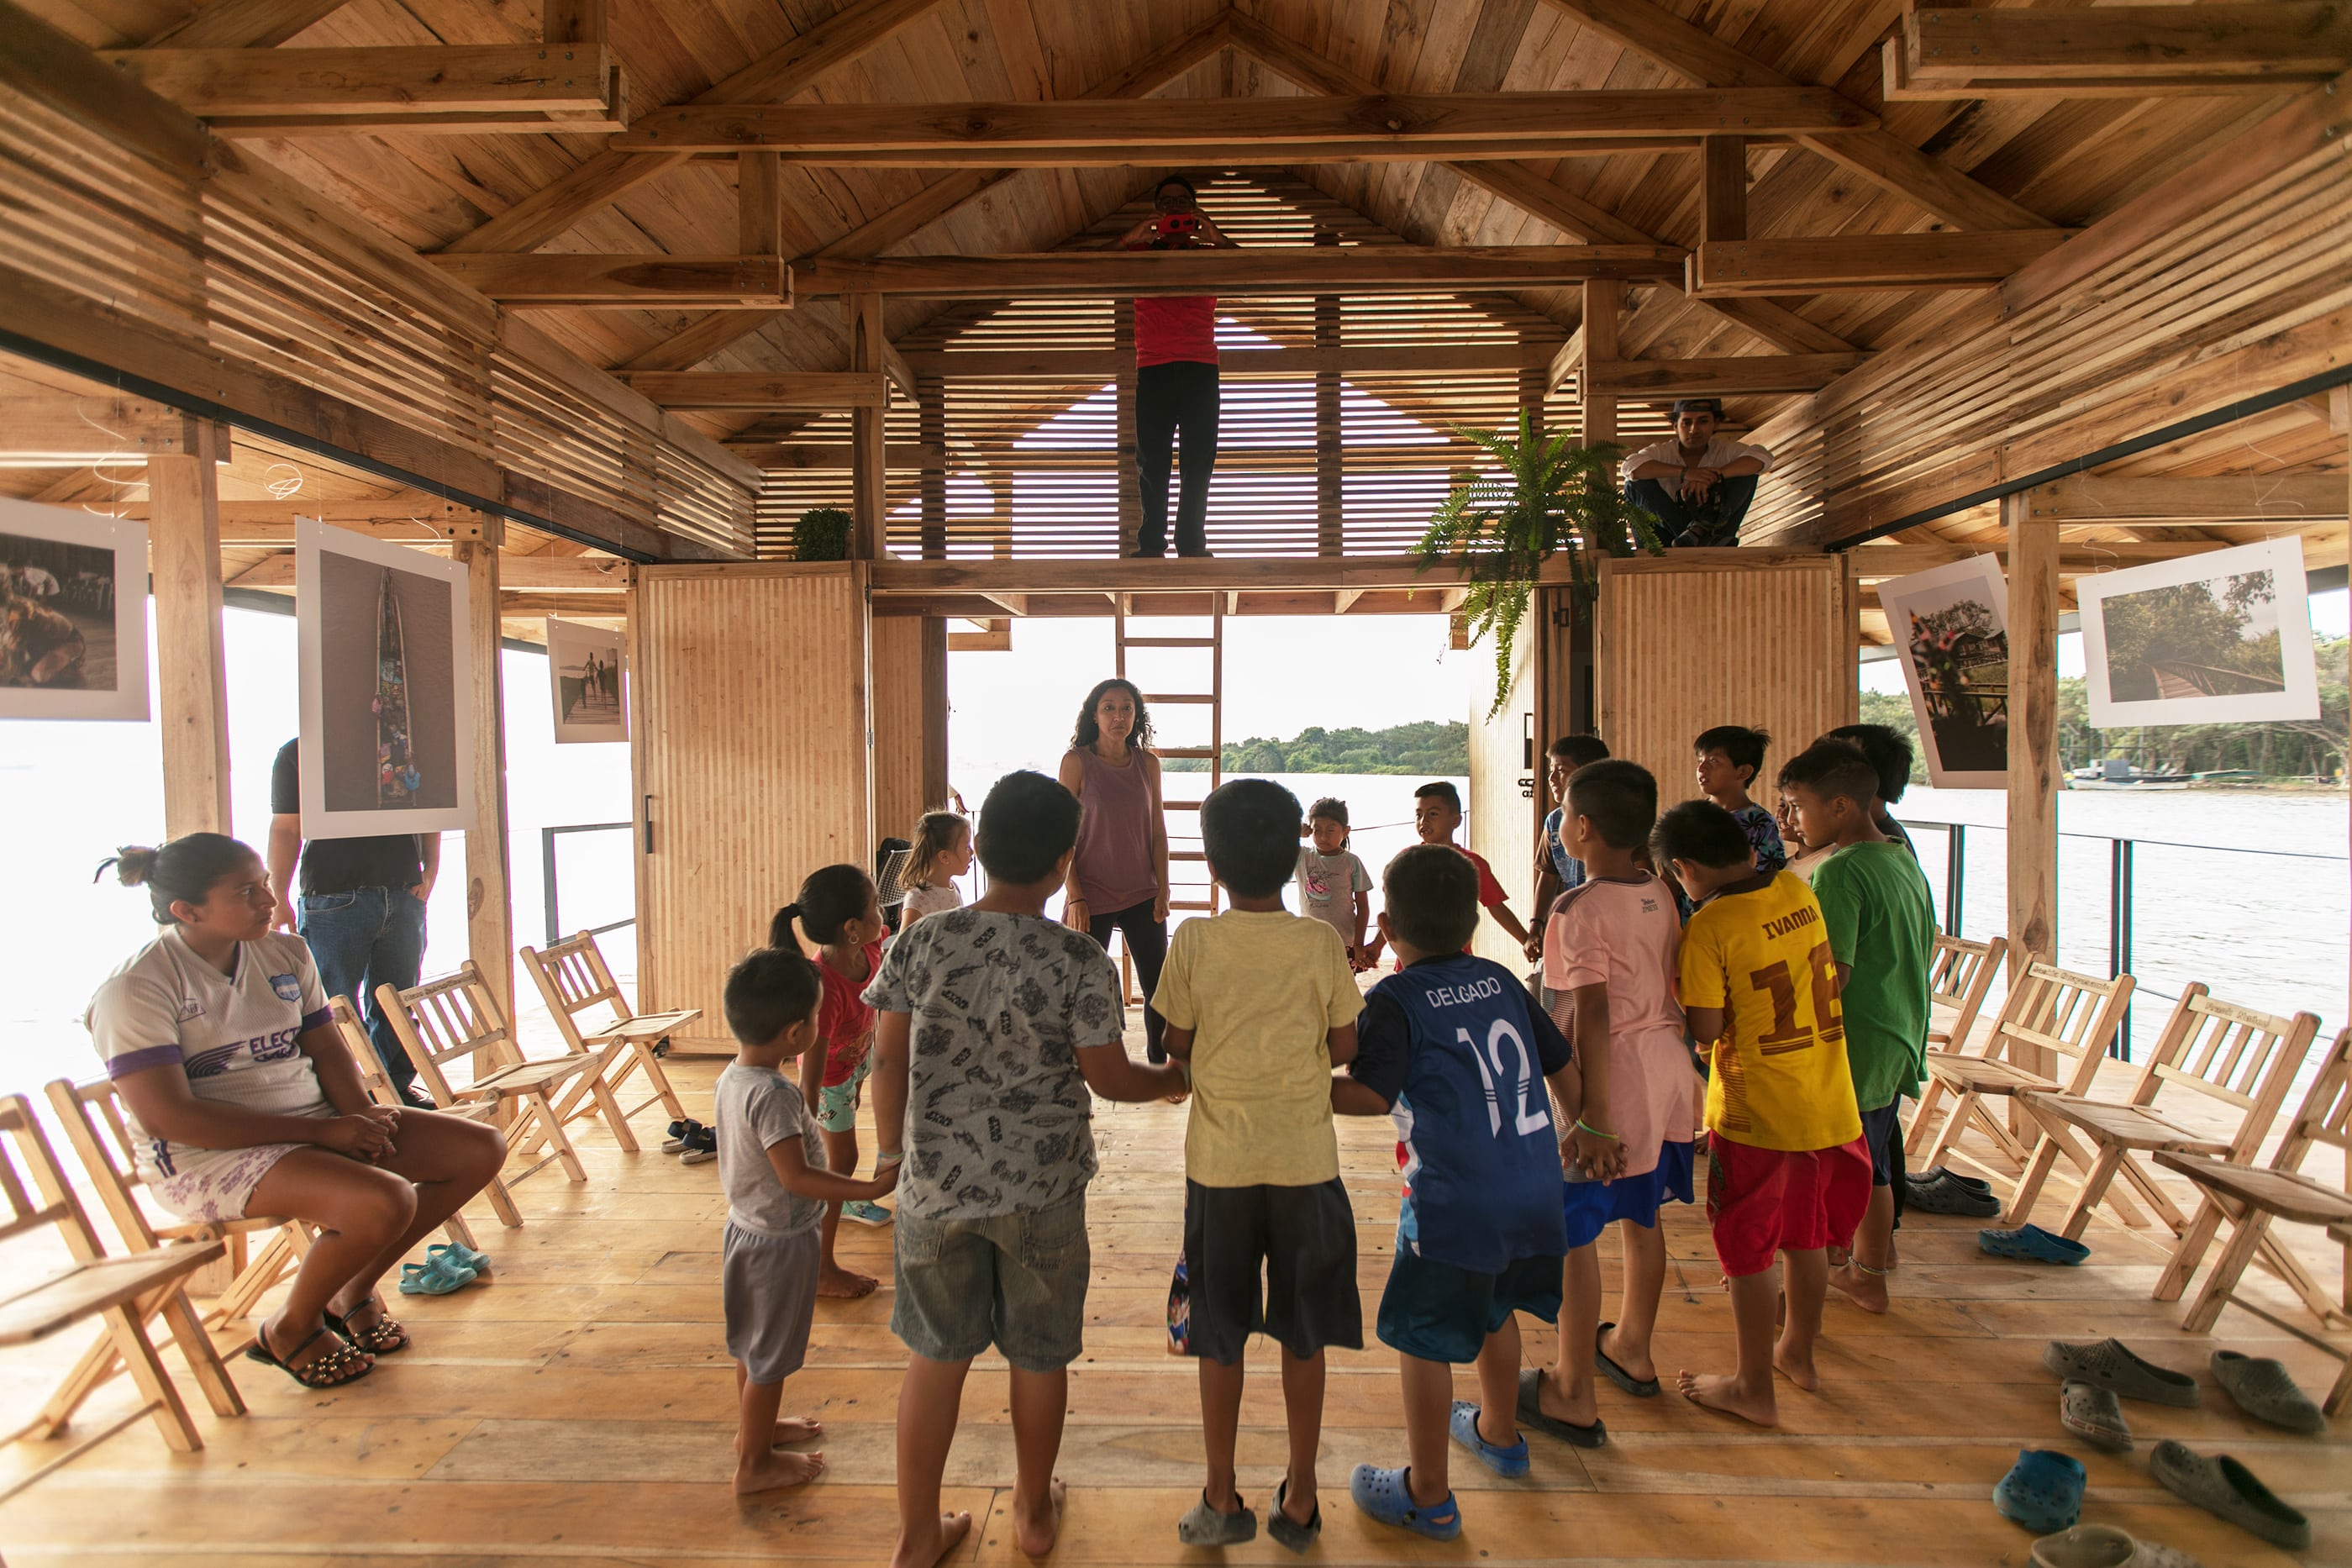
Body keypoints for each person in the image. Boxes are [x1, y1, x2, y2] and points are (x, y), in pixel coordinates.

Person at [865, 770, 1188, 1568]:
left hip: (933, 1189)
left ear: (981, 857)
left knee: (934, 1356)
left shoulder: (919, 941)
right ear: (1061, 863)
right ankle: (1034, 1513)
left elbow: (886, 1062)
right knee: (1039, 1355)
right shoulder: (1078, 959)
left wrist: (893, 1155)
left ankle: (915, 1536)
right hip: (1041, 1192)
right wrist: (1171, 1081)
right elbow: (1109, 1079)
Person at [86, 834, 505, 1388]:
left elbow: (328, 1049)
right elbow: (172, 1119)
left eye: (264, 884)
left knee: (478, 1149)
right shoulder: (137, 988)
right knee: (383, 1200)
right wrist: (327, 1132)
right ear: (187, 911)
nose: (267, 899)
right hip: (204, 1157)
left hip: (315, 1124)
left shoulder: (285, 952)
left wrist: (364, 1117)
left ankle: (349, 1289)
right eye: (245, 892)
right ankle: (289, 1327)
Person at [1333, 845, 1578, 1541]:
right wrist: (1577, 1131)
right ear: (1472, 917)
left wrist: (1296, 1088)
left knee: (1424, 1335)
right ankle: (1500, 1434)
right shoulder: (1501, 980)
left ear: (1387, 921)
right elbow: (1563, 1068)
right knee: (1495, 1306)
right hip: (1533, 1187)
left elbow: (1371, 1094)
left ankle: (1427, 1494)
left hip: (1453, 1200)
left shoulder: (1396, 997)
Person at [1155, 779, 1364, 1550]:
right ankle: (1302, 1497)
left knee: (1219, 1331)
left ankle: (1219, 1495)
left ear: (1211, 862)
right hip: (1307, 1165)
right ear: (1292, 858)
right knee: (1302, 1332)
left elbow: (1174, 1045)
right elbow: (1345, 1046)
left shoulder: (1194, 941)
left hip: (1220, 1170)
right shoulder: (1318, 944)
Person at [1655, 801, 1868, 1428]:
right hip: (1825, 1097)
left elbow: (1705, 1028)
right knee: (1803, 1235)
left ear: (1683, 869)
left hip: (1756, 1112)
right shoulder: (1793, 889)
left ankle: (1751, 1385)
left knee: (1746, 1249)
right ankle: (1795, 1351)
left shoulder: (1711, 926)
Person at [1531, 760, 1695, 1437]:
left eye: (1564, 811)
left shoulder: (1576, 909)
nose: (1561, 822)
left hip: (1616, 1080)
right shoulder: (1658, 889)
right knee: (1642, 1219)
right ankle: (1630, 1347)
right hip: (1667, 1073)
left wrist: (1591, 1115)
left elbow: (1590, 1014)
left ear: (1583, 828)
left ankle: (1571, 1387)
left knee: (1575, 1237)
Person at [714, 944, 899, 1495]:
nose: (822, 1024)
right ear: (796, 1034)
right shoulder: (773, 1096)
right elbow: (796, 1177)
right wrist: (866, 1187)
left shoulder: (734, 1077)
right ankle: (754, 1465)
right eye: (818, 1017)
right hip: (779, 1242)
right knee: (771, 1355)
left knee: (752, 1344)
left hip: (744, 1230)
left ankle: (757, 1430)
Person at [1778, 740, 1935, 1317]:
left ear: (1840, 807)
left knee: (1826, 1170)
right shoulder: (1898, 857)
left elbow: (1829, 977)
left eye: (1796, 807)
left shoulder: (1840, 874)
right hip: (1897, 1033)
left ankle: (1808, 1293)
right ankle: (1865, 1270)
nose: (1791, 820)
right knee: (1872, 1164)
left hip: (1854, 1043)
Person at [266, 739, 439, 1104]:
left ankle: (395, 1091)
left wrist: (431, 868)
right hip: (332, 895)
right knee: (333, 1006)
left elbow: (434, 808)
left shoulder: (406, 743)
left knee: (398, 999)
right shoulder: (300, 750)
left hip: (402, 892)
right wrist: (276, 894)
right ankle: (348, 1095)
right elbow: (285, 826)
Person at [772, 866, 893, 1297]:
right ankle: (820, 1268)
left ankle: (837, 1197)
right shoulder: (823, 987)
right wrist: (801, 1129)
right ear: (852, 928)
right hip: (829, 1081)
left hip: (856, 1062)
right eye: (876, 906)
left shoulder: (871, 946)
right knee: (839, 1160)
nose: (884, 913)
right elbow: (812, 1071)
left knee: (839, 1155)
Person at [1117, 174, 1237, 559]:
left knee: (1198, 461)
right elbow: (1094, 265)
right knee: (1152, 462)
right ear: (1156, 210)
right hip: (1152, 368)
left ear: (1194, 207)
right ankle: (1151, 545)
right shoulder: (1138, 254)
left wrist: (1214, 235)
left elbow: (1252, 268)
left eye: (1182, 202)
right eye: (1166, 203)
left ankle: (1191, 545)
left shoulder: (1210, 255)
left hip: (1201, 368)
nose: (1174, 209)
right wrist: (1132, 235)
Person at [1057, 677, 1174, 1062]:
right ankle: (1080, 1073)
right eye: (1109, 708)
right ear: (1094, 714)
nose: (1118, 716)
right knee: (1082, 987)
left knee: (1159, 984)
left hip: (1143, 890)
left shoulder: (1148, 763)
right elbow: (1063, 836)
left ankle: (1160, 1064)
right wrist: (1075, 895)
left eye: (1126, 708)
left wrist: (1163, 887)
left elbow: (1157, 830)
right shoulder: (1076, 761)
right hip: (1091, 894)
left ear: (1137, 716)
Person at [1362, 781, 1528, 966]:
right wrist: (1377, 946)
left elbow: (1496, 907)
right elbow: (1394, 910)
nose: (1424, 821)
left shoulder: (1471, 864)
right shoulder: (1407, 861)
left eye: (1433, 814)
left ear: (1455, 820)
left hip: (1455, 964)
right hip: (1411, 965)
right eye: (1419, 815)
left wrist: (1526, 940)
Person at [1618, 398, 1776, 547]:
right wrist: (1686, 473)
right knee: (1634, 484)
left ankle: (1699, 532)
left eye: (1703, 421)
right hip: (1664, 541)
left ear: (1716, 423)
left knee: (1747, 474)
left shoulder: (1725, 451)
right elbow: (1629, 466)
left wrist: (1714, 476)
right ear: (1675, 426)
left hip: (1717, 534)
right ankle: (1694, 535)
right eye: (1687, 422)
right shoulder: (1662, 452)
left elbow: (1761, 456)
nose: (1694, 429)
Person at [1525, 734, 1613, 964]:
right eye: (1551, 769)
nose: (1552, 778)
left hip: (1610, 925)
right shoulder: (1554, 822)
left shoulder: (1616, 816)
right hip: (1574, 925)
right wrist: (1536, 926)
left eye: (1561, 770)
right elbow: (1548, 875)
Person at [1693, 725, 1787, 875]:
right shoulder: (1690, 817)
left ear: (1743, 772)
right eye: (1700, 760)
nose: (1701, 768)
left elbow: (1769, 878)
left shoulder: (1760, 823)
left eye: (1713, 761)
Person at [1294, 796, 1372, 969]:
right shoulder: (1302, 857)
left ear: (1345, 831)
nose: (1323, 837)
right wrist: (1294, 831)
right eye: (1317, 830)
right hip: (1309, 941)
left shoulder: (1351, 863)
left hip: (1343, 942)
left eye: (1330, 830)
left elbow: (1363, 907)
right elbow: (1271, 841)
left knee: (1341, 991)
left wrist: (1358, 945)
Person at [900, 809, 972, 927]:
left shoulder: (953, 888)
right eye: (966, 847)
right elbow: (904, 943)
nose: (972, 852)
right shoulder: (918, 898)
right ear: (944, 856)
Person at [0, 594, 87, 686]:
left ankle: (69, 673)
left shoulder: (43, 621)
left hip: (71, 643)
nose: (11, 626)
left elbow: (48, 643)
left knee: (38, 675)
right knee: (14, 648)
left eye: (14, 623)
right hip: (50, 643)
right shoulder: (20, 618)